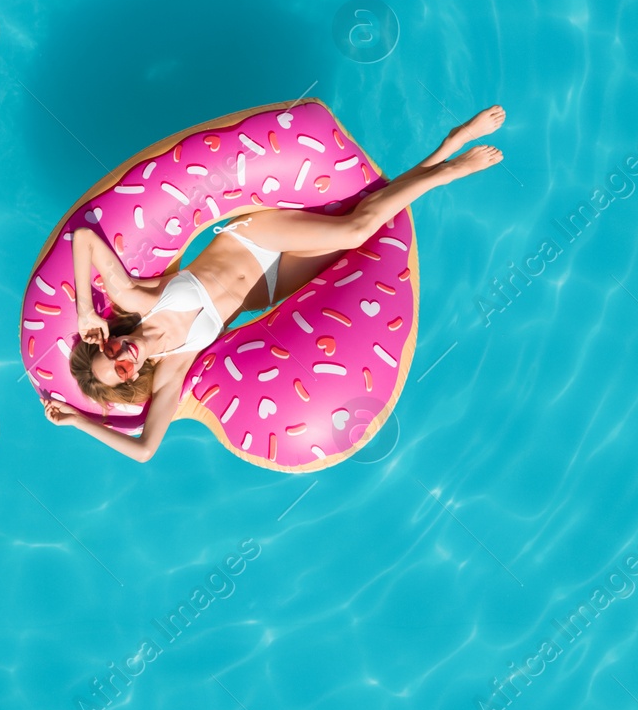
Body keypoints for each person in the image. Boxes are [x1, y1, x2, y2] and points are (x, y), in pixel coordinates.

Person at [42, 105, 506, 461]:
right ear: (131, 379)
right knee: (363, 229)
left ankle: (448, 170)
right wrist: (77, 421)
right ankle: (445, 148)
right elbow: (144, 450)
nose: (125, 358)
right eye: (122, 372)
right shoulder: (172, 367)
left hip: (252, 239)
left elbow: (83, 238)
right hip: (273, 284)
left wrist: (85, 309)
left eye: (112, 354)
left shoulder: (134, 298)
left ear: (110, 341)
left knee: (354, 228)